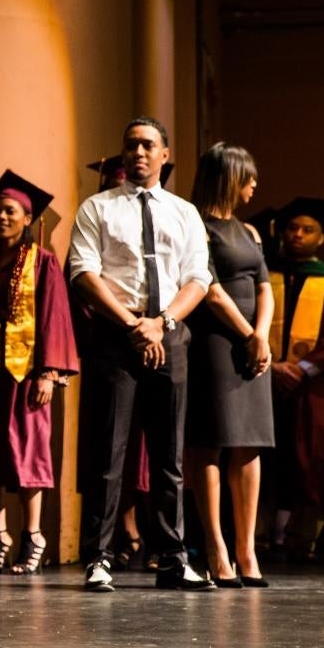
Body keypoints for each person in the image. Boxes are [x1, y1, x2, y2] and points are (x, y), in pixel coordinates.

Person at [66, 117, 214, 592]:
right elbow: (83, 273)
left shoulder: (184, 212)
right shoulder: (97, 208)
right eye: (130, 145)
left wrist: (162, 322)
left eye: (148, 145)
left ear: (165, 154)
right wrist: (132, 324)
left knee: (169, 455)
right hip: (118, 334)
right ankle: (99, 557)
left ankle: (173, 557)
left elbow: (198, 278)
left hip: (168, 334)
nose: (138, 153)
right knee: (109, 452)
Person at [0, 170, 78, 575]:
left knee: (30, 455)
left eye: (10, 211)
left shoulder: (43, 262)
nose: (1, 217)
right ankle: (0, 538)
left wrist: (49, 372)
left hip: (27, 374)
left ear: (28, 219)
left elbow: (54, 316)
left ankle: (33, 536)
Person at [185, 143, 275, 588]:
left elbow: (265, 287)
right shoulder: (195, 226)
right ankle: (216, 547)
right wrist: (248, 334)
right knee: (210, 441)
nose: (255, 185)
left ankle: (247, 549)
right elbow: (211, 290)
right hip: (216, 341)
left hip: (253, 344)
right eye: (249, 177)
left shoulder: (251, 232)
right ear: (229, 177)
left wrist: (263, 333)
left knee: (249, 443)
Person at [265, 196, 324, 559]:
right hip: (264, 379)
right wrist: (274, 366)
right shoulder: (265, 274)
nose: (298, 235)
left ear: (322, 238)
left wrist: (301, 368)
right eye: (292, 228)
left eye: (308, 230)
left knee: (312, 459)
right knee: (267, 458)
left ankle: (303, 537)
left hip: (313, 386)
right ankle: (262, 535)